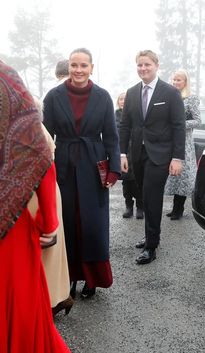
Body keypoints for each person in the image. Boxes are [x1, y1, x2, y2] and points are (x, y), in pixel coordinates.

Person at [0, 60, 71, 352]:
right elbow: (42, 161)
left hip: (14, 229)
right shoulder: (9, 83)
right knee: (20, 306)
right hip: (13, 229)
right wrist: (47, 222)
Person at [43, 47, 120, 298]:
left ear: (91, 68)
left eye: (83, 66)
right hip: (63, 165)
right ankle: (68, 278)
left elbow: (111, 135)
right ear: (69, 67)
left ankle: (92, 278)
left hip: (93, 165)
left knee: (93, 226)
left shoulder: (103, 97)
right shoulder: (54, 96)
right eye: (74, 65)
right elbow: (45, 136)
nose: (78, 70)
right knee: (67, 223)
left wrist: (114, 170)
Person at [119, 50, 186, 265]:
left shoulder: (170, 93)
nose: (143, 68)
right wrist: (122, 153)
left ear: (157, 65)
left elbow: (179, 126)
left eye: (147, 64)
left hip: (160, 155)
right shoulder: (131, 92)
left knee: (152, 196)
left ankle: (151, 246)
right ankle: (151, 234)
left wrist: (177, 157)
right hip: (138, 154)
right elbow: (126, 125)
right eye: (139, 65)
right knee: (145, 196)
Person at [29, 97, 73, 317]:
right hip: (39, 194)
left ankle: (51, 300)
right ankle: (58, 298)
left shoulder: (34, 133)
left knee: (45, 250)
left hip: (38, 195)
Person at [165, 69, 201, 220]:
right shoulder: (169, 97)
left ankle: (179, 210)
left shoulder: (191, 98)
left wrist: (179, 124)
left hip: (184, 142)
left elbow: (198, 120)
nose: (175, 82)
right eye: (174, 79)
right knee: (173, 175)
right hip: (169, 140)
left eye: (179, 80)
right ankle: (174, 208)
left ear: (185, 82)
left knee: (183, 175)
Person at [115, 92, 144, 219]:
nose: (123, 101)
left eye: (125, 99)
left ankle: (140, 207)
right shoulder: (115, 114)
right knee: (126, 181)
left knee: (138, 180)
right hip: (122, 151)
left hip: (135, 149)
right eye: (120, 99)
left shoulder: (134, 113)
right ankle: (128, 206)